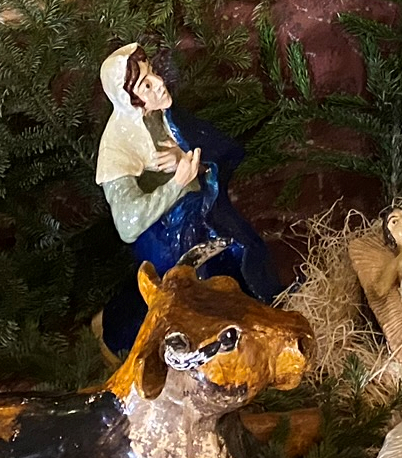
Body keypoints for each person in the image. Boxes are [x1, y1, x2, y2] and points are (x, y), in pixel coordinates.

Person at [94, 42, 282, 356]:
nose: (159, 83)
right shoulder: (117, 148)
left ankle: (260, 319)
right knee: (194, 285)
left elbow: (223, 151)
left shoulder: (165, 116)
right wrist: (176, 184)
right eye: (146, 85)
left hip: (202, 215)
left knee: (241, 247)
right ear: (128, 99)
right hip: (164, 236)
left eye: (153, 73)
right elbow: (128, 223)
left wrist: (187, 159)